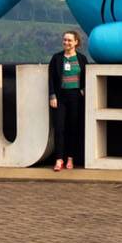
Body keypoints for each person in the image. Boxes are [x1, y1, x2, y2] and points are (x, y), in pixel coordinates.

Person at [47, 31, 87, 171]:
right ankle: (59, 160)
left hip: (75, 97)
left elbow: (85, 77)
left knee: (73, 128)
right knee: (59, 128)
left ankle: (70, 158)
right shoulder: (56, 58)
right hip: (60, 97)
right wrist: (52, 95)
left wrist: (83, 89)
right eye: (64, 40)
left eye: (69, 40)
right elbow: (51, 78)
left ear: (76, 42)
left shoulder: (82, 59)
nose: (66, 43)